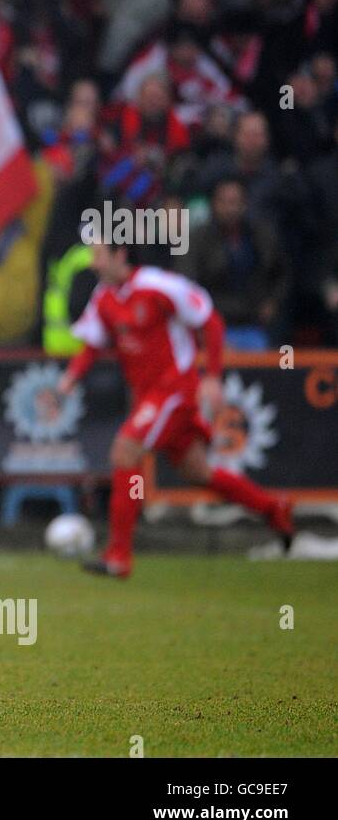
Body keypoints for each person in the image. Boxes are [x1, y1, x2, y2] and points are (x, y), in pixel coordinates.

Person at [57, 241, 294, 578]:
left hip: (174, 390)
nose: (93, 264)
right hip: (147, 396)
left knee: (125, 452)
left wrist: (212, 377)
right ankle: (273, 508)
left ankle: (118, 556)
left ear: (119, 255)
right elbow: (92, 344)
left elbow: (209, 321)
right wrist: (70, 379)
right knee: (197, 472)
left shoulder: (158, 285)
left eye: (98, 256)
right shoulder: (104, 297)